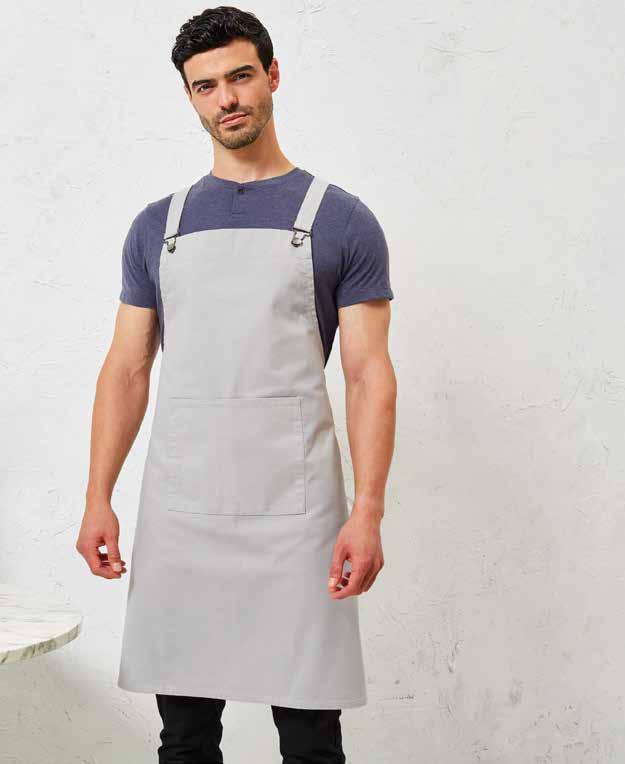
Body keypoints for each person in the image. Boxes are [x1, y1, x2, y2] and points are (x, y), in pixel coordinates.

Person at [74, 6, 396, 762]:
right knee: (184, 736)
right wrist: (97, 497)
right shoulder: (157, 227)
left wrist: (368, 511)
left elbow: (367, 375)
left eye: (240, 76)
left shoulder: (342, 220)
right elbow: (126, 368)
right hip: (183, 513)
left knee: (310, 736)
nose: (226, 98)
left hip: (298, 515)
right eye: (206, 85)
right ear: (190, 96)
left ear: (272, 75)